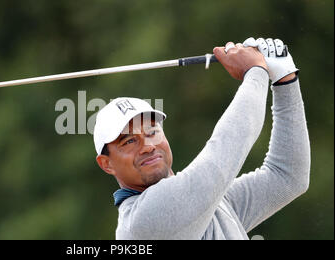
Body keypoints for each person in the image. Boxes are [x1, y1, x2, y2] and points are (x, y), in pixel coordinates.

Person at [92, 37, 310, 240]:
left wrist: (285, 81)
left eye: (152, 132)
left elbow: (288, 176)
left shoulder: (213, 204)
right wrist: (256, 71)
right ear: (106, 164)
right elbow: (224, 151)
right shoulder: (142, 222)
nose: (147, 146)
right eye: (129, 141)